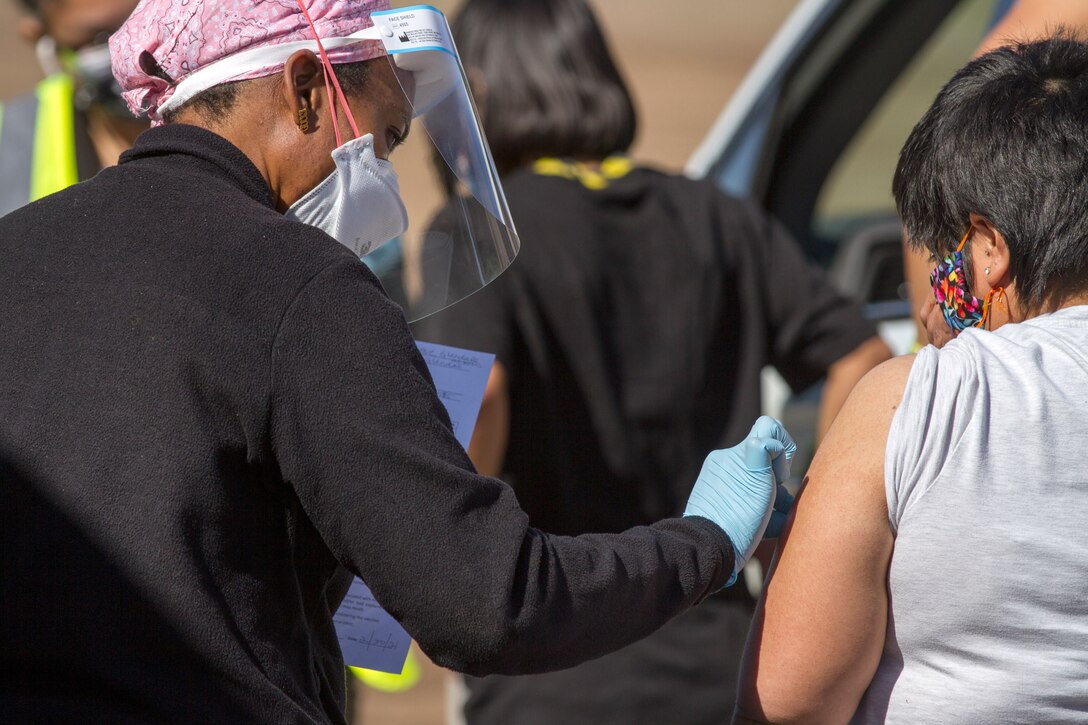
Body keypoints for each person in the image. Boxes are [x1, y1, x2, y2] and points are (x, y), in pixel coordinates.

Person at [0, 1, 799, 722]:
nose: (382, 182)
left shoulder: (18, 250)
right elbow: (489, 605)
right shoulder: (302, 283)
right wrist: (706, 542)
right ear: (307, 85)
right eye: (384, 139)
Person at [417, 1, 891, 723]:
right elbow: (862, 354)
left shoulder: (481, 228)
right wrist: (802, 519)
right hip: (722, 668)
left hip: (551, 674)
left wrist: (444, 562)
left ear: (475, 92)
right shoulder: (716, 216)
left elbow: (481, 395)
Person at [735, 35, 1088, 723]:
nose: (931, 303)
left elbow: (785, 703)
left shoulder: (916, 399)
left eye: (943, 256)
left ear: (990, 250)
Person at [906, 0, 1088, 349]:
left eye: (947, 269)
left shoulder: (957, 384)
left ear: (991, 247)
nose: (932, 307)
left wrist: (940, 361)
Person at [1, 0, 145, 216]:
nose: (139, 52)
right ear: (40, 37)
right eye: (101, 38)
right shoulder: (8, 139)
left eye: (145, 21)